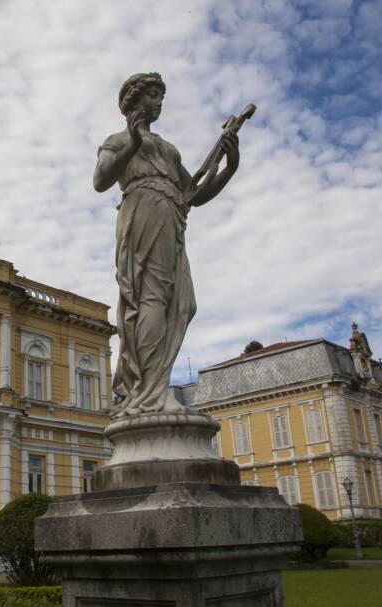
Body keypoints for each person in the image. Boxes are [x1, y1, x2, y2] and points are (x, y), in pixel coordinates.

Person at [94, 72, 240, 417]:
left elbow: (194, 194)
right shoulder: (117, 139)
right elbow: (101, 180)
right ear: (135, 100)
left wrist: (231, 166)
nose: (160, 102)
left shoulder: (167, 149)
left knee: (182, 304)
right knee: (152, 296)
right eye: (154, 95)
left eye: (162, 96)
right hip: (144, 209)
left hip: (172, 215)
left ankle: (154, 385)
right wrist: (130, 142)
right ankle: (150, 391)